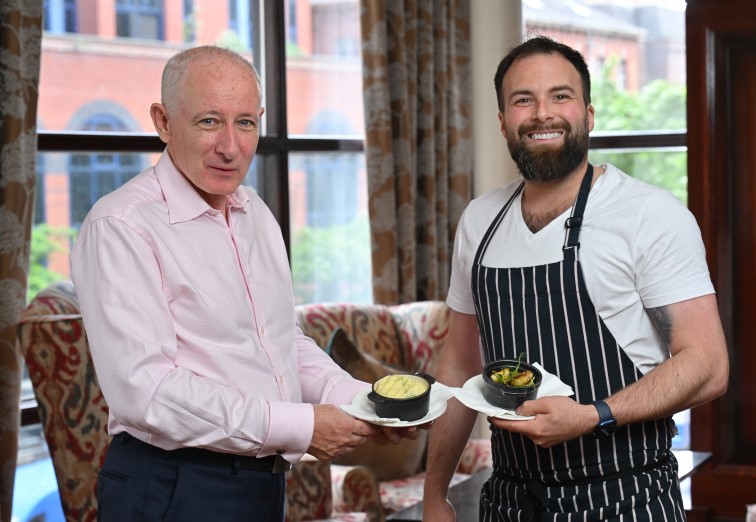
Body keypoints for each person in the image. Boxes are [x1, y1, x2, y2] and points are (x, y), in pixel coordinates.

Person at [71, 45, 418, 522]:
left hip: (261, 484)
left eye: (246, 123)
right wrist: (301, 426)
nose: (231, 147)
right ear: (164, 121)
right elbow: (147, 392)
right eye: (209, 121)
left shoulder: (254, 211)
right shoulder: (120, 225)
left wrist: (359, 401)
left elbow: (279, 341)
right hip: (172, 486)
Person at [421, 35, 729, 521]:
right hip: (510, 502)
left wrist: (592, 416)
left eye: (560, 96)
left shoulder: (649, 214)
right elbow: (459, 363)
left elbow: (709, 366)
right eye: (524, 100)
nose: (543, 114)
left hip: (626, 498)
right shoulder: (479, 222)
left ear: (588, 113)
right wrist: (434, 492)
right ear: (503, 121)